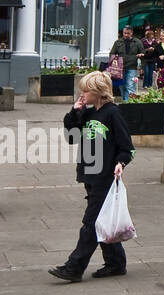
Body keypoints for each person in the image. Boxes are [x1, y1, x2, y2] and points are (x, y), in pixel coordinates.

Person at [49, 71, 135, 282]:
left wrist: (120, 163)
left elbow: (127, 148)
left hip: (105, 177)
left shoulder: (113, 113)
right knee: (101, 220)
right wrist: (74, 112)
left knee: (92, 223)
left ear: (98, 92)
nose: (82, 94)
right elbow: (72, 137)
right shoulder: (88, 113)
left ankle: (74, 267)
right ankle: (115, 263)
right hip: (89, 174)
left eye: (86, 90)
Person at [109, 26, 143, 100]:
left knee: (130, 86)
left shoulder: (137, 42)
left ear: (131, 33)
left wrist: (141, 66)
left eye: (128, 33)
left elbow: (143, 54)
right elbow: (112, 53)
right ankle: (125, 101)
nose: (126, 35)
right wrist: (114, 62)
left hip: (132, 67)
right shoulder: (118, 42)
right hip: (120, 68)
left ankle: (128, 104)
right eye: (124, 33)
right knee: (122, 86)